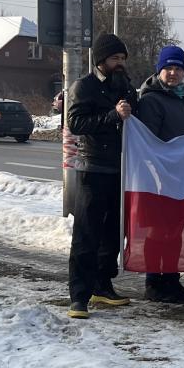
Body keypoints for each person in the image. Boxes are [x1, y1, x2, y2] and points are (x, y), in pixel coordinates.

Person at [65, 33, 137, 319]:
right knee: (87, 234)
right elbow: (76, 122)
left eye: (122, 59)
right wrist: (113, 116)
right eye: (114, 58)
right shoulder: (84, 87)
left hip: (120, 170)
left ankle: (102, 285)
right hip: (93, 169)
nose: (119, 63)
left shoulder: (125, 86)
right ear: (101, 60)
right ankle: (78, 297)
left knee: (112, 234)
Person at [136, 45, 184, 304]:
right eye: (168, 68)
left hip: (181, 178)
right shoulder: (151, 101)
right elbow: (148, 142)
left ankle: (172, 279)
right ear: (159, 70)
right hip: (158, 179)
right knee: (157, 231)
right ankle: (154, 282)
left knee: (175, 230)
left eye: (178, 68)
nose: (173, 73)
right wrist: (160, 171)